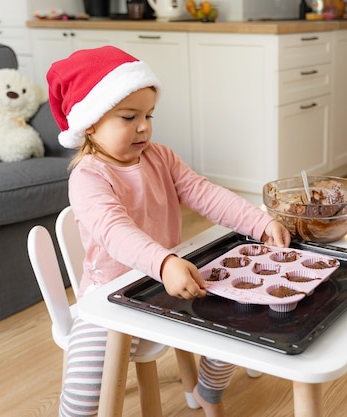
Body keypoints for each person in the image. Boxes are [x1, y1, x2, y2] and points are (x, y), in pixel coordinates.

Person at [47, 46, 291, 417]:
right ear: (91, 123)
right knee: (84, 391)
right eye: (129, 117)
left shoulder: (161, 156)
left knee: (241, 321)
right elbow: (115, 231)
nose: (144, 126)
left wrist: (259, 221)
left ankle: (209, 389)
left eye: (148, 115)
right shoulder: (88, 177)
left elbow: (204, 194)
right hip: (112, 295)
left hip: (171, 280)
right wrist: (163, 263)